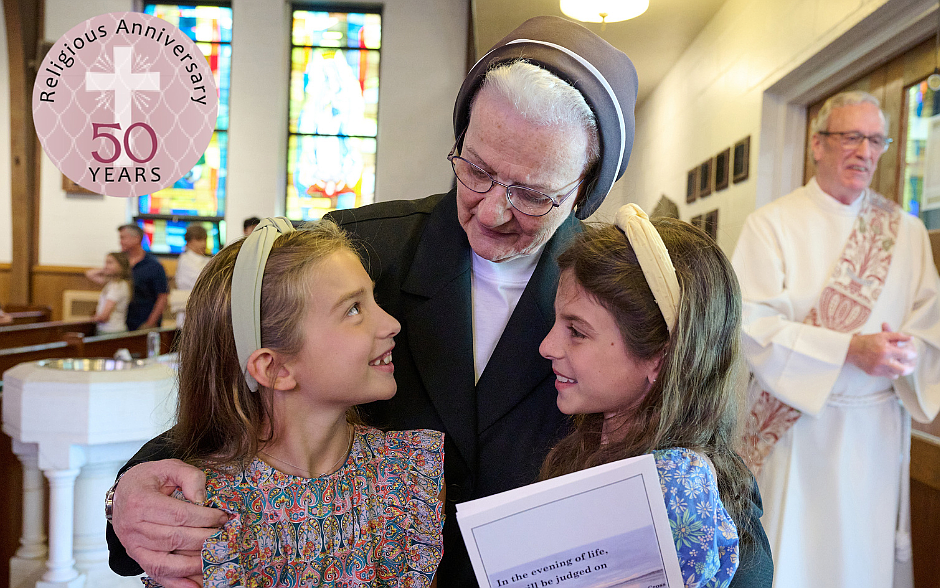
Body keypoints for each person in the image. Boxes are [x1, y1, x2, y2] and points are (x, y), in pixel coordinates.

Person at [107, 16, 771, 588]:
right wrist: (134, 486)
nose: (491, 210)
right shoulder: (363, 255)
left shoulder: (613, 290)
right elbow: (247, 385)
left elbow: (692, 434)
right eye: (476, 169)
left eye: (533, 192)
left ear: (585, 190)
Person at [141, 217, 444, 588]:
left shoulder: (408, 475)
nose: (392, 324)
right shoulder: (202, 511)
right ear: (275, 368)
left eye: (373, 300)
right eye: (353, 309)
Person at [732, 91, 940, 588]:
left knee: (859, 564)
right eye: (851, 137)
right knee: (795, 555)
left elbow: (928, 322)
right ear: (817, 144)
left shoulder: (905, 231)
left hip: (875, 431)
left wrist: (906, 350)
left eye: (875, 140)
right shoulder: (771, 225)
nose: (865, 152)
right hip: (797, 430)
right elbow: (748, 325)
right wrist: (848, 350)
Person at [539, 205, 762, 586]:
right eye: (556, 322)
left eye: (577, 331)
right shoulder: (585, 445)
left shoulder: (682, 492)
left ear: (661, 357)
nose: (547, 347)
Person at [118, 224, 169, 330]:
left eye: (123, 237)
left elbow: (162, 297)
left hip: (143, 322)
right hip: (122, 322)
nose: (120, 241)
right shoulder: (121, 263)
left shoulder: (153, 265)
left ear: (136, 239)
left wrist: (150, 323)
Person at [84, 252, 133, 334]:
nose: (106, 265)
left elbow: (105, 316)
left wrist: (92, 319)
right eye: (105, 262)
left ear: (121, 265)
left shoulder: (116, 287)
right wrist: (105, 269)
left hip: (111, 331)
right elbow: (89, 274)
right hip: (112, 330)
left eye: (110, 263)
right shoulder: (115, 283)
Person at [174, 224, 211, 291]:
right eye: (199, 240)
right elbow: (203, 281)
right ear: (189, 242)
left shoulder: (208, 260)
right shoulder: (185, 260)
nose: (203, 243)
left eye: (205, 239)